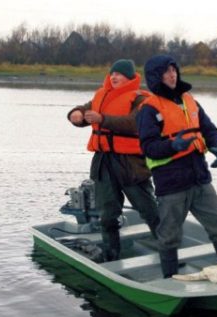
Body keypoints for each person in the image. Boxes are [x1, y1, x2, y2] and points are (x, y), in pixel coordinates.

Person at [136, 54, 217, 278]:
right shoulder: (148, 109)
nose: (172, 75)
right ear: (155, 77)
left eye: (173, 70)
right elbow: (149, 147)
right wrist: (174, 145)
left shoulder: (191, 101)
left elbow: (210, 131)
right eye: (166, 72)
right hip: (171, 184)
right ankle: (170, 280)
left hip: (200, 179)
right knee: (170, 235)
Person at [67, 59, 159, 261]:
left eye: (119, 74)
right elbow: (85, 110)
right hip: (103, 162)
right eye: (112, 74)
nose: (114, 77)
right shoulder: (101, 95)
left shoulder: (142, 99)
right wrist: (75, 114)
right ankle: (111, 254)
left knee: (149, 209)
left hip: (131, 164)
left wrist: (103, 119)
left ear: (130, 77)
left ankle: (169, 249)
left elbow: (135, 123)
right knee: (107, 214)